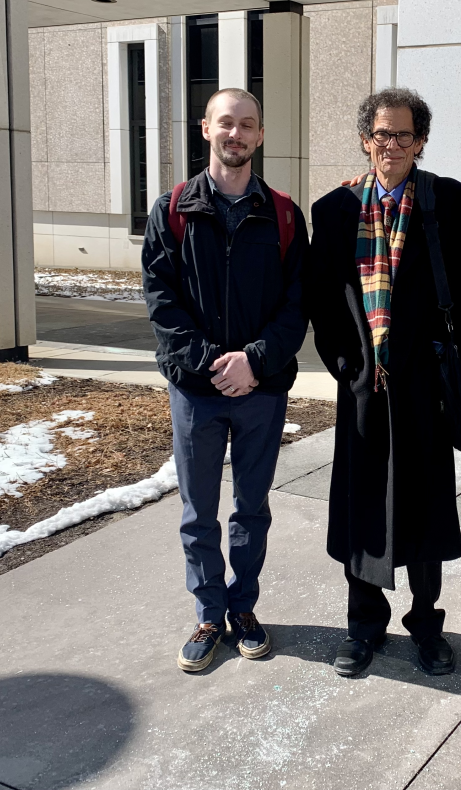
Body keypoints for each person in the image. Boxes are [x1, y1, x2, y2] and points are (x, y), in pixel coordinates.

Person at [307, 88, 461, 677]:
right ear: (366, 139)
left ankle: (426, 625)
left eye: (405, 135)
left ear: (421, 141)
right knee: (362, 508)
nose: (393, 145)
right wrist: (348, 367)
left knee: (427, 510)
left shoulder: (450, 203)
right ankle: (363, 626)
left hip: (424, 390)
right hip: (363, 389)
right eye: (383, 134)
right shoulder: (333, 210)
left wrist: (440, 362)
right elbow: (324, 300)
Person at [142, 88, 308, 673]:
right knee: (198, 510)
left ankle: (244, 608)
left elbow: (296, 306)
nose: (235, 134)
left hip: (261, 391)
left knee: (251, 507)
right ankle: (209, 612)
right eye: (225, 123)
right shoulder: (172, 210)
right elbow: (162, 305)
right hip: (196, 391)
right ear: (205, 129)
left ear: (260, 135)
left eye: (247, 125)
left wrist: (255, 362)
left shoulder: (285, 214)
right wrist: (216, 361)